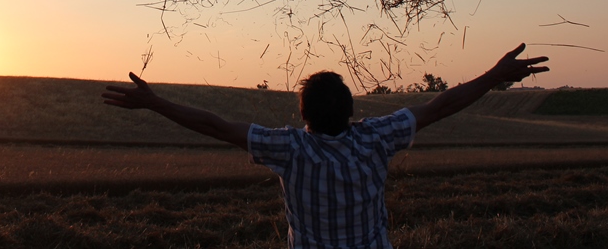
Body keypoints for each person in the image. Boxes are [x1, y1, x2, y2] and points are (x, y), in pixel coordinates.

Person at [102, 43, 549, 249]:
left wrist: (155, 103)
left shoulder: (291, 150)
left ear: (303, 116)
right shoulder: (376, 138)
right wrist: (494, 76)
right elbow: (440, 106)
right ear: (352, 111)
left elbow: (215, 125)